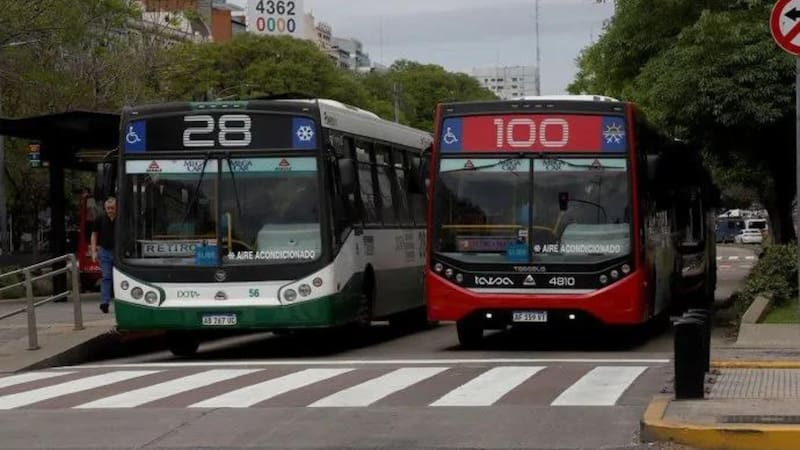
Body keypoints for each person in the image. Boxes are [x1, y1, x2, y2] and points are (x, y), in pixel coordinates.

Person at [91, 197, 116, 313]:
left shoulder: (121, 219)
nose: (110, 210)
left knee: (119, 277)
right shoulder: (100, 218)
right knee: (106, 276)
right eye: (108, 208)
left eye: (112, 208)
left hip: (118, 252)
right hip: (105, 251)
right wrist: (93, 252)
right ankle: (104, 302)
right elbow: (94, 234)